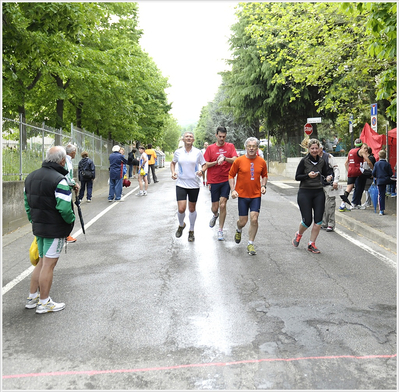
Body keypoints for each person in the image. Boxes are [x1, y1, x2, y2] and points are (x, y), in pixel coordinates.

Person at [24, 146, 75, 313]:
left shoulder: (30, 177)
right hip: (54, 229)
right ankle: (44, 302)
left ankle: (33, 297)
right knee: (48, 265)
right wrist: (70, 222)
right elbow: (65, 208)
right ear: (62, 160)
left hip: (39, 227)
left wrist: (34, 220)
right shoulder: (60, 179)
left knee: (40, 262)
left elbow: (27, 204)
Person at [228, 137, 267, 255]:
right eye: (249, 146)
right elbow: (231, 175)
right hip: (242, 196)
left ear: (257, 148)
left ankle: (250, 244)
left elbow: (264, 175)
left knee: (254, 219)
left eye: (254, 146)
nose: (251, 148)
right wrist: (233, 190)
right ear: (246, 147)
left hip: (256, 195)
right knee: (243, 221)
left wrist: (263, 185)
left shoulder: (262, 162)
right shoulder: (238, 161)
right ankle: (238, 229)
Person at [292, 138, 331, 254]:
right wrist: (308, 176)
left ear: (319, 149)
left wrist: (329, 177)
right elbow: (297, 177)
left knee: (318, 221)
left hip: (318, 192)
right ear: (308, 149)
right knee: (307, 221)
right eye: (312, 148)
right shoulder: (304, 161)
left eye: (316, 148)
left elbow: (326, 173)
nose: (314, 150)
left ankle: (311, 244)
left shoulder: (322, 161)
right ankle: (299, 234)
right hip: (305, 192)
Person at [203, 126, 238, 241]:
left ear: (225, 136)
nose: (222, 138)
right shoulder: (210, 148)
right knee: (215, 207)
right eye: (220, 136)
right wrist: (216, 162)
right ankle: (215, 215)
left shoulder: (230, 146)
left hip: (226, 180)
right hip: (213, 180)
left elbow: (235, 160)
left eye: (223, 136)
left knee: (223, 205)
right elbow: (205, 164)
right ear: (216, 135)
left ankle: (220, 230)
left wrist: (225, 158)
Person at [170, 131, 206, 242]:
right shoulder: (178, 152)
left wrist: (201, 171)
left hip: (194, 184)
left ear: (193, 140)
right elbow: (173, 163)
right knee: (181, 209)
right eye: (187, 137)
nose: (189, 138)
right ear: (183, 139)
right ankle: (181, 225)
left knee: (191, 208)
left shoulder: (198, 152)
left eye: (191, 137)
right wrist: (173, 172)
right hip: (181, 183)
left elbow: (204, 165)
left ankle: (191, 231)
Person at [338, 139, 368, 211]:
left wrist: (349, 171)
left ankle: (343, 204)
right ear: (361, 145)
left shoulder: (350, 151)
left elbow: (346, 163)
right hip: (358, 171)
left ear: (354, 144)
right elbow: (368, 160)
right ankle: (355, 203)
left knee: (349, 188)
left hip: (351, 171)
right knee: (359, 186)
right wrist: (373, 169)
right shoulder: (360, 151)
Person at [318, 145, 340, 232]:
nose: (316, 150)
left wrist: (336, 180)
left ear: (321, 149)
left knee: (330, 205)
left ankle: (330, 224)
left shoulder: (328, 157)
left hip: (329, 184)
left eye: (317, 148)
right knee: (321, 204)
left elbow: (336, 168)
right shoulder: (314, 158)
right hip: (319, 184)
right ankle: (324, 223)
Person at [64, 144, 80, 243]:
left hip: (67, 188)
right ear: (73, 152)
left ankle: (65, 234)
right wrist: (74, 184)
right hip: (65, 189)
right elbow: (66, 175)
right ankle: (66, 234)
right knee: (69, 212)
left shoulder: (67, 160)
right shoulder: (66, 161)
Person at [372, 150, 395, 215]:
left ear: (379, 156)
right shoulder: (387, 164)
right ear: (385, 156)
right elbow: (390, 173)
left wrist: (377, 176)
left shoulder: (376, 164)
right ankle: (392, 192)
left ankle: (381, 210)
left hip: (380, 181)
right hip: (387, 179)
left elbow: (373, 173)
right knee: (393, 182)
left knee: (381, 195)